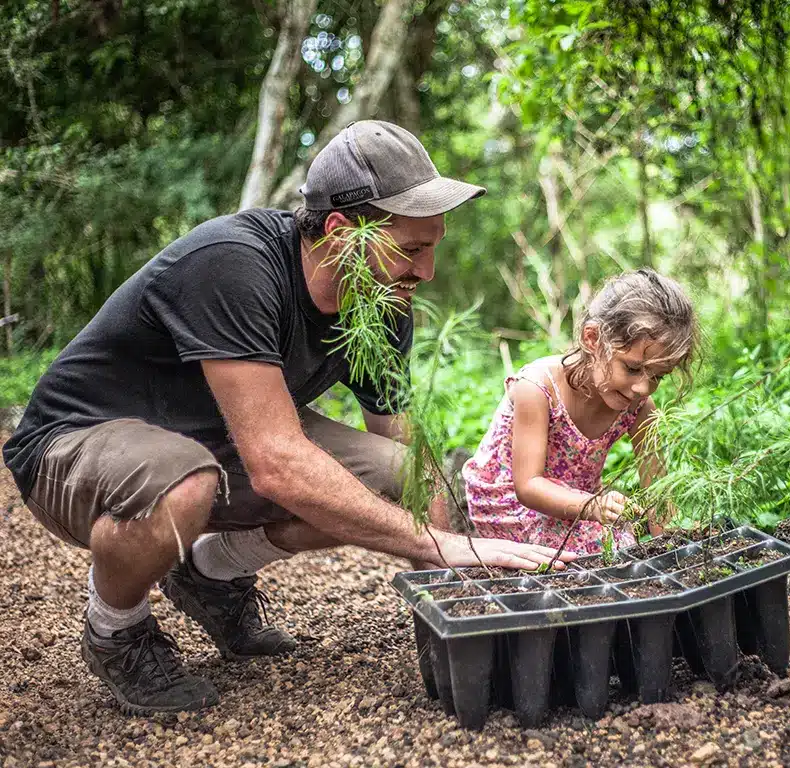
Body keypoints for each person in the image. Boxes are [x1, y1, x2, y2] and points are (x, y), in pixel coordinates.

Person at [2, 120, 573, 715]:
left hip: (218, 443)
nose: (426, 272)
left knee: (392, 474)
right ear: (339, 230)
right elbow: (276, 463)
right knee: (185, 481)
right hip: (72, 446)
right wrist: (438, 542)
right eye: (411, 249)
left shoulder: (380, 301)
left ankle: (211, 574)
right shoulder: (232, 264)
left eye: (434, 246)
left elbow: (404, 452)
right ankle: (116, 627)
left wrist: (461, 589)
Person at [462, 269, 699, 555]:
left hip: (578, 505)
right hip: (510, 502)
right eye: (632, 368)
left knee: (626, 546)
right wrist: (593, 506)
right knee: (603, 551)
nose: (642, 388)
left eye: (658, 377)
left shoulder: (639, 409)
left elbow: (658, 487)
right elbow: (528, 487)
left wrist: (669, 548)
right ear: (592, 339)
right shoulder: (538, 388)